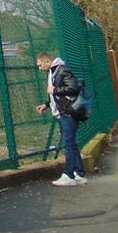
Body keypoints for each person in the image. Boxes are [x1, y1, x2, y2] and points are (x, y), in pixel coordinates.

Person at [35, 52, 88, 187]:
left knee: (68, 143)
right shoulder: (52, 72)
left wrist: (55, 89)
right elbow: (55, 95)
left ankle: (69, 175)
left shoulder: (62, 70)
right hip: (62, 113)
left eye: (40, 65)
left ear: (47, 61)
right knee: (71, 143)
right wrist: (46, 105)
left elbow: (73, 88)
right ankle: (79, 174)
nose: (39, 68)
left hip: (68, 114)